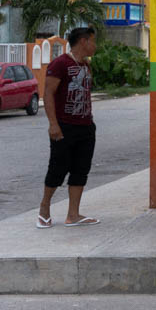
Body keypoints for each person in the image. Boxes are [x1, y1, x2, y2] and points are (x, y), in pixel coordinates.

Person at [37, 26, 100, 228]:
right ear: (84, 41)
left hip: (86, 126)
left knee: (81, 170)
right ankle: (44, 209)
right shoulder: (60, 64)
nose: (95, 45)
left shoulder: (86, 65)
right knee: (57, 168)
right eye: (93, 41)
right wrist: (53, 124)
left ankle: (73, 215)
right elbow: (48, 94)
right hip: (64, 126)